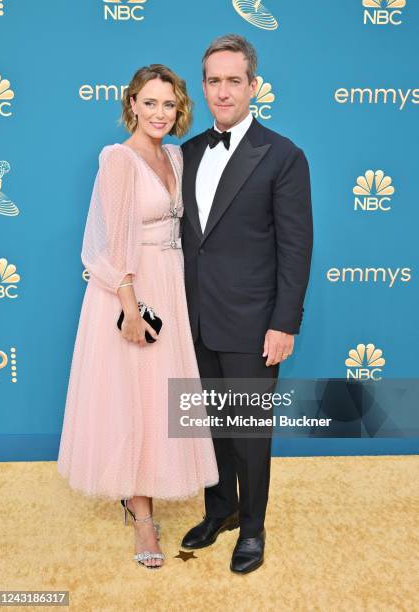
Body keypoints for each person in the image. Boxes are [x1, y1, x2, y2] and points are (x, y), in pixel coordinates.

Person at [57, 64, 219, 570]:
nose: (159, 113)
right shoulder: (117, 159)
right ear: (131, 104)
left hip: (170, 284)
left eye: (168, 104)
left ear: (179, 108)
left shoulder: (174, 154)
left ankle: (145, 492)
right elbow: (106, 242)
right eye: (149, 103)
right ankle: (142, 518)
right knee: (133, 397)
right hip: (132, 289)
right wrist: (129, 308)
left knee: (161, 395)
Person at [180, 35, 313, 574]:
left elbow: (296, 246)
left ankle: (252, 530)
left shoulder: (283, 155)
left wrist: (285, 323)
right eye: (214, 80)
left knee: (250, 437)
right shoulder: (185, 152)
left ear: (253, 86)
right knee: (208, 429)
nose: (223, 91)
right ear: (204, 86)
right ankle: (220, 511)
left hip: (254, 325)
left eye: (235, 80)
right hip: (193, 321)